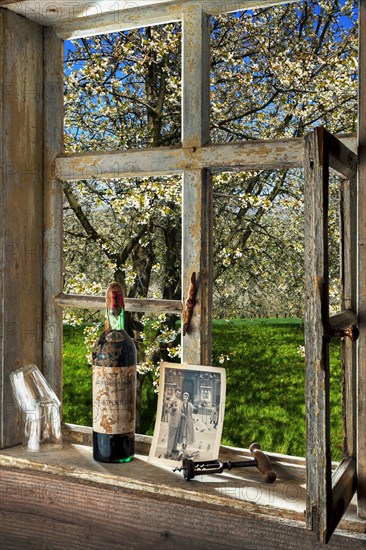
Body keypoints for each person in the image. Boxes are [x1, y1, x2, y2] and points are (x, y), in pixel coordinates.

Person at [165, 388, 182, 458]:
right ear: (175, 393)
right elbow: (169, 410)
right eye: (177, 393)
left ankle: (174, 448)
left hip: (177, 421)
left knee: (175, 436)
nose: (178, 395)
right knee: (171, 436)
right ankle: (169, 451)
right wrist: (173, 410)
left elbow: (179, 410)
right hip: (173, 421)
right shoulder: (172, 400)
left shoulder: (179, 401)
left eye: (179, 394)